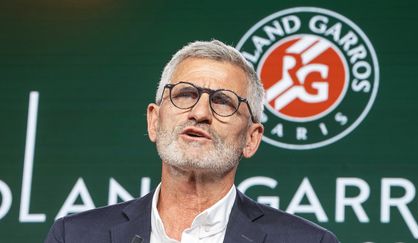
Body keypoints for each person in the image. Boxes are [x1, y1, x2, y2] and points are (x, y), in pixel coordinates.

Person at [45, 40, 339, 243]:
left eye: (224, 101)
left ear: (251, 138)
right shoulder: (74, 235)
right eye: (185, 95)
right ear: (154, 121)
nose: (200, 113)